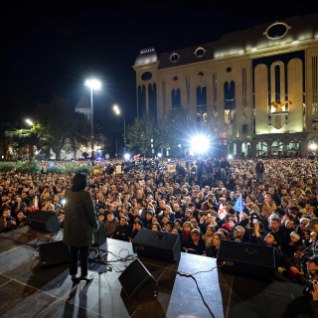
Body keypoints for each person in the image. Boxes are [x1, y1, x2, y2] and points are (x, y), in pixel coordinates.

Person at [63, 172, 99, 283]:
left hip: (71, 227)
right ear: (84, 182)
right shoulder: (85, 194)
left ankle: (73, 274)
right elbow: (91, 213)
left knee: (73, 252)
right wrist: (95, 225)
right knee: (84, 253)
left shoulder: (68, 192)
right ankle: (84, 274)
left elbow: (65, 207)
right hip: (83, 229)